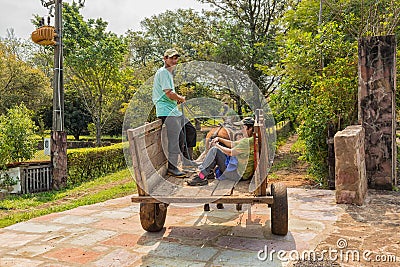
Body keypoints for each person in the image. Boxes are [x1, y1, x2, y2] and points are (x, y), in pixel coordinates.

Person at [152, 48, 197, 177]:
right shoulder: (163, 72)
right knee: (178, 137)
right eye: (171, 58)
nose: (174, 60)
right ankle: (172, 167)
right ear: (164, 58)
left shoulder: (168, 73)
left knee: (190, 130)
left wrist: (176, 99)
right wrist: (180, 98)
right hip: (166, 111)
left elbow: (169, 94)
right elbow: (169, 93)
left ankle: (187, 161)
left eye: (176, 58)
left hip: (173, 110)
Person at [187, 117, 255, 186]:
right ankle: (208, 172)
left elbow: (230, 152)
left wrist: (217, 145)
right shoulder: (251, 139)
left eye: (243, 127)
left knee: (215, 151)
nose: (241, 130)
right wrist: (219, 139)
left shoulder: (247, 142)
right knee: (217, 151)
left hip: (237, 175)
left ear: (250, 129)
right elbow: (233, 144)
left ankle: (201, 177)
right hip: (243, 174)